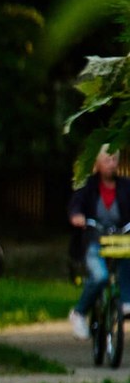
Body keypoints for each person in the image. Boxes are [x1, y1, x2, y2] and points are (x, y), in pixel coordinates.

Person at [67, 145, 130, 339]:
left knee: (127, 260)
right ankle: (79, 313)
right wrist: (77, 216)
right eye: (107, 160)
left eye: (114, 160)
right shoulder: (88, 186)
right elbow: (75, 206)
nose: (111, 164)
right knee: (100, 277)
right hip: (95, 240)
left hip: (120, 241)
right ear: (98, 163)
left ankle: (127, 302)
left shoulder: (126, 186)